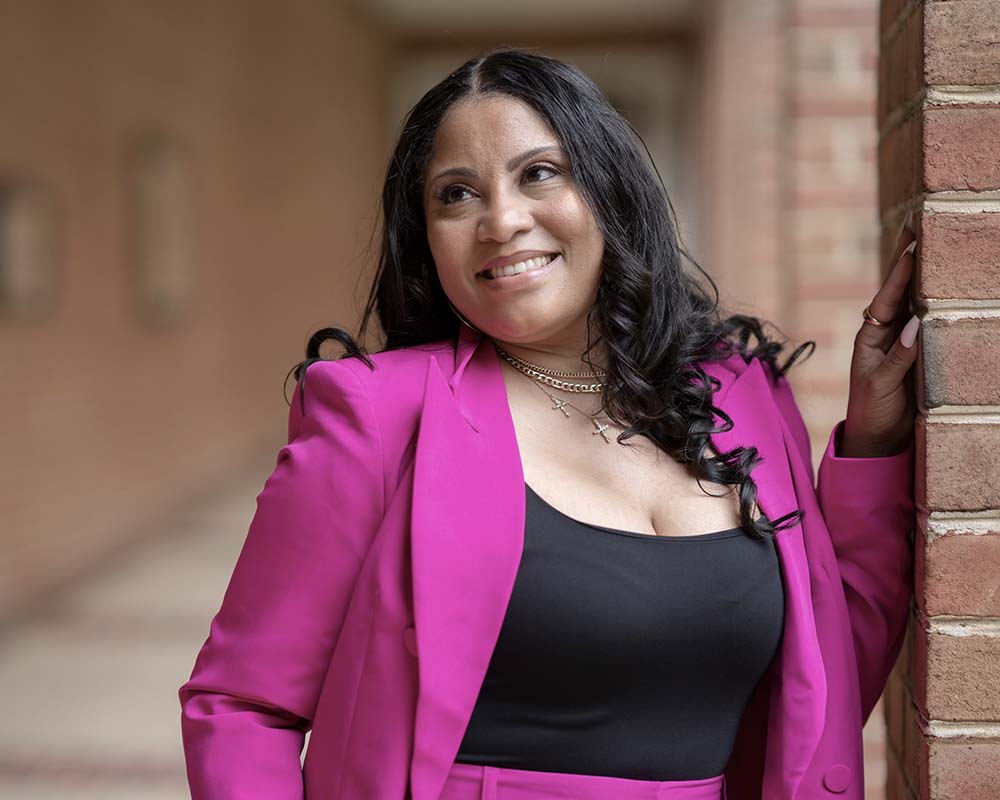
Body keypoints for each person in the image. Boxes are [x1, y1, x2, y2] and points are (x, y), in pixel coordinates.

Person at [178, 47, 919, 800]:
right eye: (456, 195)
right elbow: (242, 707)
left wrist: (876, 445)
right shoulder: (375, 416)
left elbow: (821, 685)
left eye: (539, 173)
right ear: (426, 240)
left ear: (608, 190)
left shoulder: (739, 394)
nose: (501, 220)